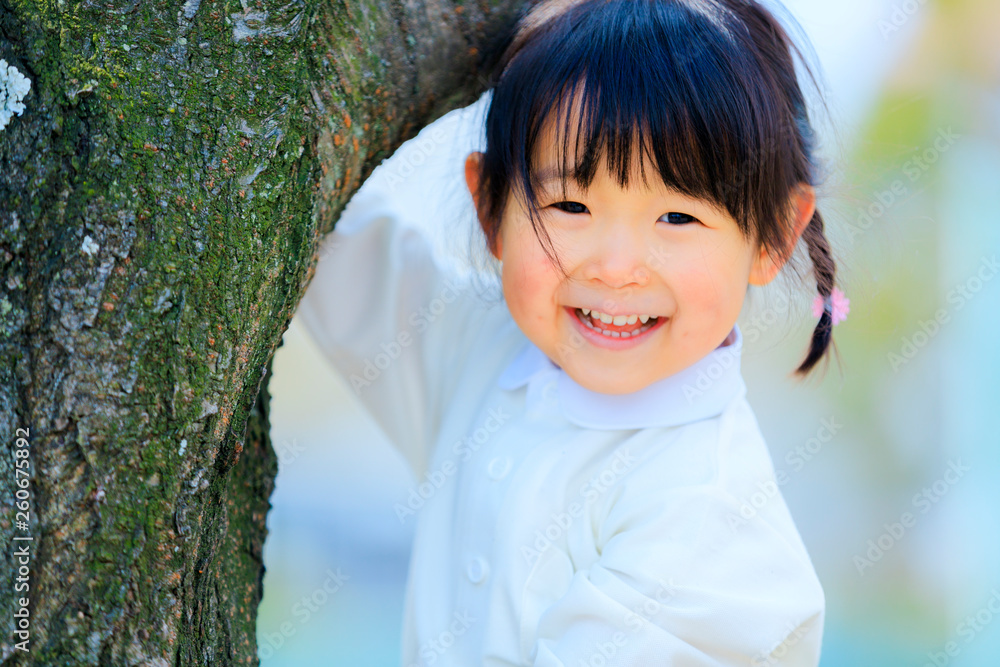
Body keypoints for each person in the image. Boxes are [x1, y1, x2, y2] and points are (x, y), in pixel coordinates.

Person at [296, 0, 848, 664]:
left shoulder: (709, 520)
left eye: (676, 216)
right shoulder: (479, 348)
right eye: (570, 205)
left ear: (774, 234)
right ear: (491, 210)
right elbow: (319, 239)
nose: (616, 268)